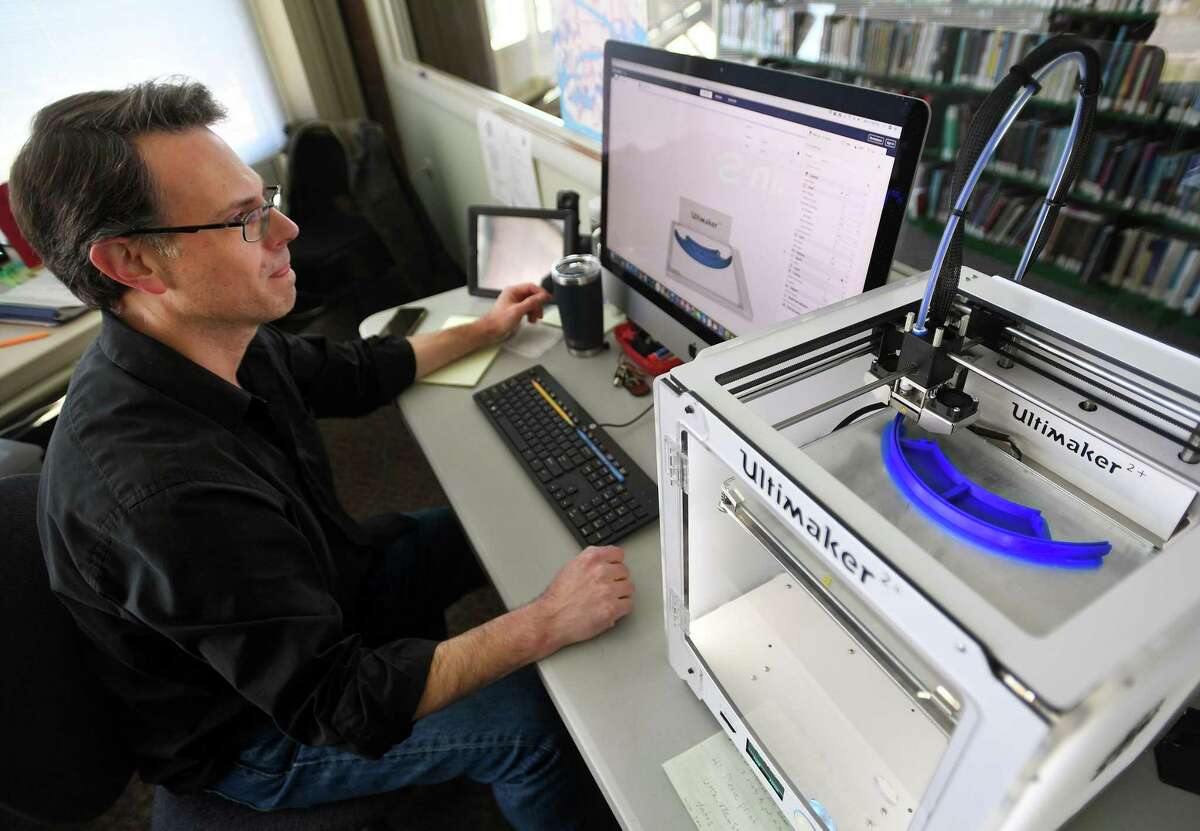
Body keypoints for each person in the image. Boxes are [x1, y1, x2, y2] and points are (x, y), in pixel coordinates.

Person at [10, 81, 634, 829]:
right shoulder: (162, 494)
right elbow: (337, 702)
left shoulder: (212, 335)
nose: (288, 226)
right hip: (256, 737)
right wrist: (546, 621)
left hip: (323, 594)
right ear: (136, 263)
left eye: (261, 197)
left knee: (488, 526)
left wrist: (485, 328)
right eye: (245, 220)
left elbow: (354, 372)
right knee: (533, 725)